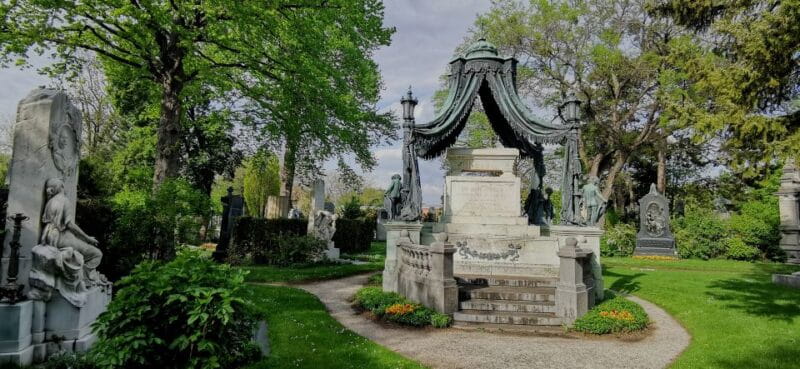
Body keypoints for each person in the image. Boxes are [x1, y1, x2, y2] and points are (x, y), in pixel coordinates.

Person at [41, 178, 103, 283]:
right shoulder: (64, 200)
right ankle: (83, 278)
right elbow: (69, 225)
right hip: (61, 237)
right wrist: (88, 238)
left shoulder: (50, 202)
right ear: (61, 187)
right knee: (97, 254)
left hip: (48, 235)